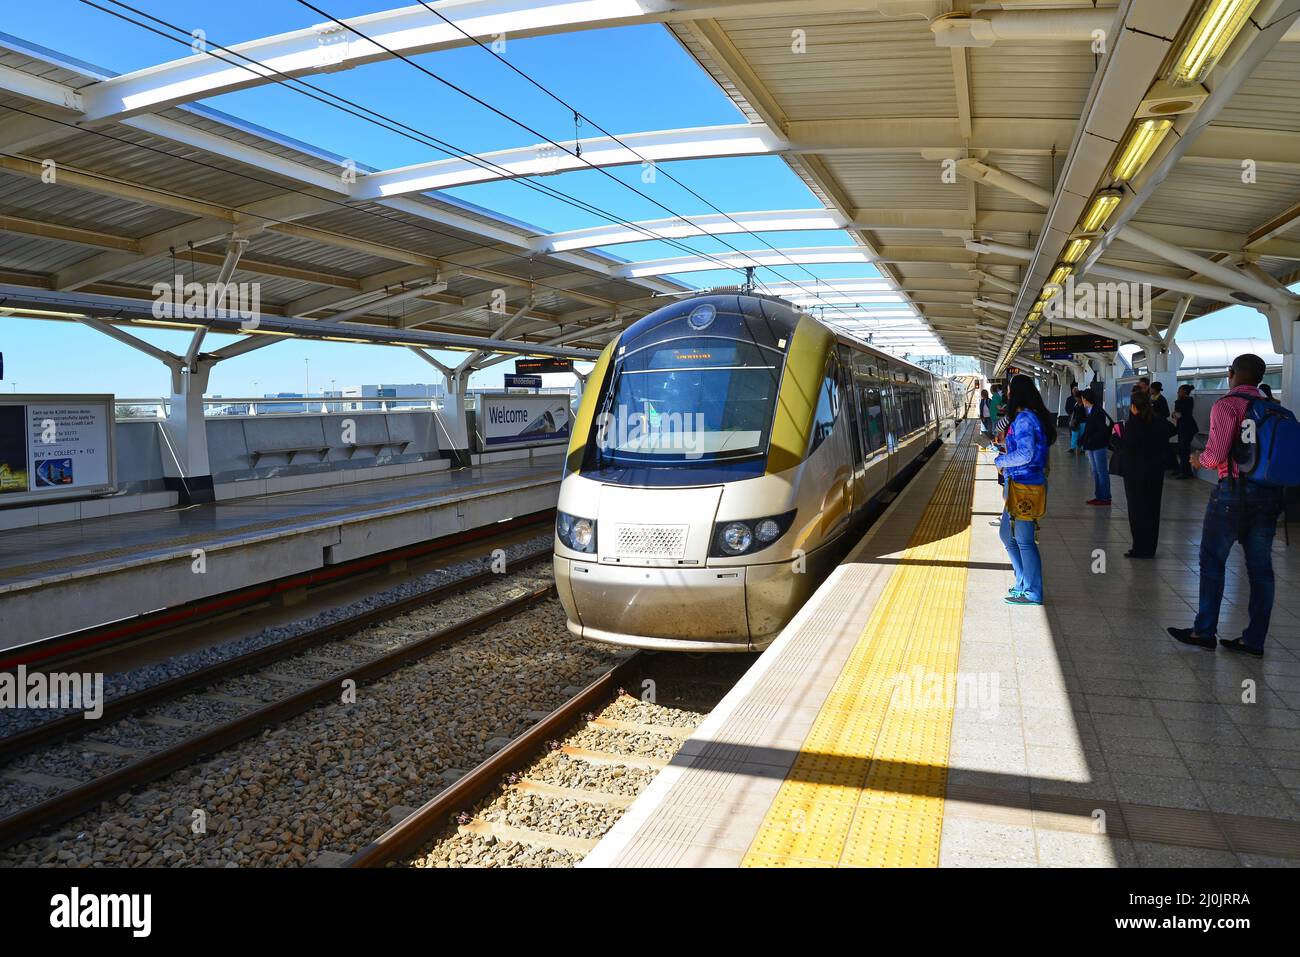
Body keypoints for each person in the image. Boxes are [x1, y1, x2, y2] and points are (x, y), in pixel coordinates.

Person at [1168, 354, 1285, 657]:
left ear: (1231, 374)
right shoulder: (1274, 408)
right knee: (1261, 571)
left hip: (1232, 494)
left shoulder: (1227, 405)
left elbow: (1216, 455)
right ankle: (1254, 640)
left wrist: (1197, 460)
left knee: (1212, 562)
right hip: (1269, 496)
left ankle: (1204, 631)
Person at [994, 374, 1056, 606]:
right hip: (1020, 484)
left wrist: (1000, 461)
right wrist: (1004, 446)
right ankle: (1022, 581)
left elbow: (1026, 454)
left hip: (1026, 486)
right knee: (1007, 535)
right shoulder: (1028, 417)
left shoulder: (1025, 419)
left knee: (1024, 540)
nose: (1007, 395)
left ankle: (1032, 592)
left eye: (1010, 391)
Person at [1116, 391, 1174, 558]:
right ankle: (1150, 548)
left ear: (1133, 406)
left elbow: (1127, 448)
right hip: (1155, 472)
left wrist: (1115, 440)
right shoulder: (1157, 421)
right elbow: (1172, 429)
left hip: (1135, 474)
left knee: (1136, 510)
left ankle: (1139, 547)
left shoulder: (1133, 425)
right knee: (1153, 510)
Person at [1079, 387, 1113, 506]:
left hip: (1098, 446)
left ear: (1085, 399)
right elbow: (1090, 429)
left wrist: (1089, 439)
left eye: (1082, 398)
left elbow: (1100, 430)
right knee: (1095, 471)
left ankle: (1105, 497)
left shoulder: (1097, 411)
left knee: (1101, 471)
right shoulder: (1090, 410)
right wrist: (1083, 440)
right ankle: (1099, 496)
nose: (1081, 401)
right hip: (1091, 445)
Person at [1173, 384, 1197, 479]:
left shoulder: (1182, 401)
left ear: (1184, 391)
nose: (1178, 393)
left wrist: (1174, 412)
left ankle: (1185, 472)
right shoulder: (1189, 400)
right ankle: (1183, 470)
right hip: (1185, 428)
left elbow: (1178, 415)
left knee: (1184, 450)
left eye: (1179, 391)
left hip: (1185, 428)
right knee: (1183, 450)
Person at [1064, 386, 1081, 453]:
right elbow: (1067, 407)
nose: (1075, 392)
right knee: (1072, 432)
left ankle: (1080, 447)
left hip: (1079, 419)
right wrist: (1070, 414)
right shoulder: (1069, 399)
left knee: (1079, 433)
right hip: (1072, 417)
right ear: (1072, 392)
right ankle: (1073, 447)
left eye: (1076, 391)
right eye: (1074, 391)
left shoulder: (1080, 400)